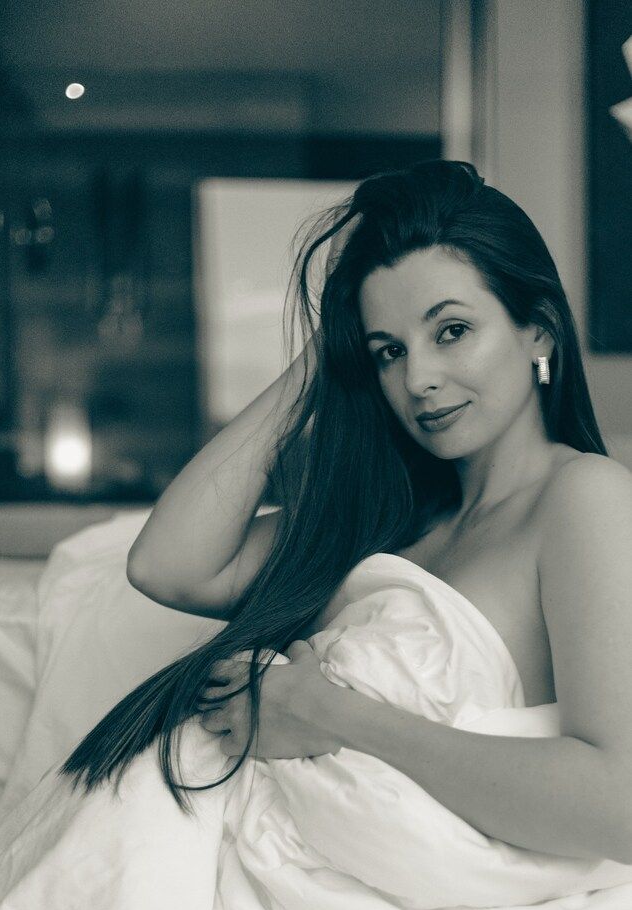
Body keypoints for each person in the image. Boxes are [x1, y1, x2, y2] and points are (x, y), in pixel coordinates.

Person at [61, 158, 632, 866]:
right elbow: (166, 566)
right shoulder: (390, 515)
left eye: (451, 331)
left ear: (538, 331)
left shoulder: (583, 497)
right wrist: (324, 360)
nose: (417, 379)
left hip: (384, 897)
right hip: (251, 862)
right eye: (388, 351)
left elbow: (620, 807)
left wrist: (335, 716)